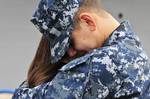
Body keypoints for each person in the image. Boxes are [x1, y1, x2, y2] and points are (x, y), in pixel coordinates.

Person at [12, 0, 150, 98]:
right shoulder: (133, 48)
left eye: (70, 43)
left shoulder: (101, 62)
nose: (71, 53)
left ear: (88, 21)